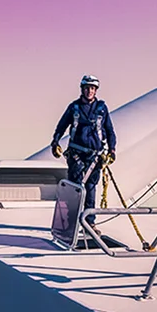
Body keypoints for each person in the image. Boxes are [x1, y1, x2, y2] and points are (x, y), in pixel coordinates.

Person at [51, 74, 116, 226]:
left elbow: (110, 130)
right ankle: (70, 222)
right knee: (75, 189)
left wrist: (112, 150)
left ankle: (89, 223)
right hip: (76, 155)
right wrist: (55, 142)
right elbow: (61, 126)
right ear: (82, 89)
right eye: (87, 88)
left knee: (91, 189)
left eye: (92, 88)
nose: (89, 91)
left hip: (95, 157)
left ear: (96, 90)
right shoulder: (74, 108)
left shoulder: (101, 109)